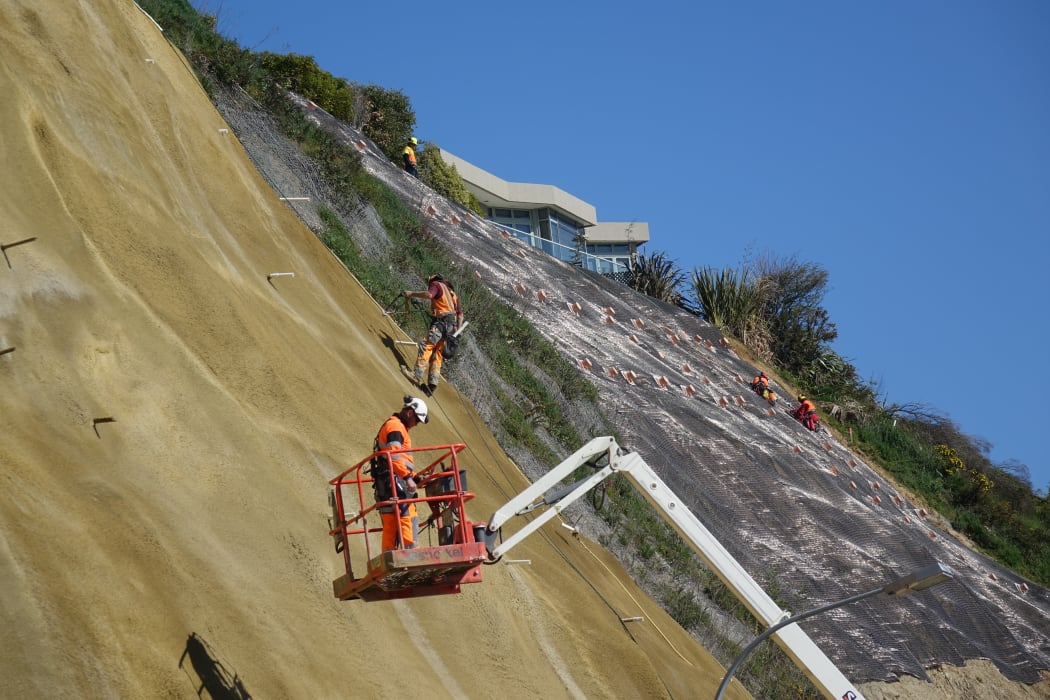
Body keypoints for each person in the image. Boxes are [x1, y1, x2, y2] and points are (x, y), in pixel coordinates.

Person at [372, 396, 429, 551]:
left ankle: (389, 555)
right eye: (417, 420)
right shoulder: (396, 427)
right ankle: (411, 551)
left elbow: (399, 461)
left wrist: (415, 477)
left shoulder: (395, 426)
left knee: (390, 520)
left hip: (386, 480)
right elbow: (394, 455)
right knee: (406, 510)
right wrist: (407, 478)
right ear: (410, 413)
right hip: (393, 478)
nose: (416, 424)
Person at [404, 274, 462, 394]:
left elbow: (429, 295)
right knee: (437, 353)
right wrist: (457, 332)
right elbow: (460, 315)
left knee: (427, 345)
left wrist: (411, 294)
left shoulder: (436, 285)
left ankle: (416, 375)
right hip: (451, 328)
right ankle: (432, 385)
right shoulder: (453, 295)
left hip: (441, 324)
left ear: (433, 281)